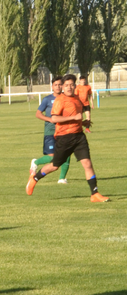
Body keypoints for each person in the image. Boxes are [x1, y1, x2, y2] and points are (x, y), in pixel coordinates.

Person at [26, 74, 109, 202]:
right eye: (66, 85)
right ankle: (35, 178)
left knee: (87, 163)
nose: (69, 87)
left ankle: (94, 194)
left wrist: (82, 123)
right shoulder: (60, 100)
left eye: (71, 85)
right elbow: (54, 118)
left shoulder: (77, 99)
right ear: (63, 87)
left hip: (79, 136)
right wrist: (74, 118)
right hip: (64, 137)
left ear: (75, 86)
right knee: (54, 165)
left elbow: (76, 117)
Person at [30, 76, 71, 184]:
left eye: (59, 84)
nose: (58, 87)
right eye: (55, 85)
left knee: (66, 154)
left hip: (63, 131)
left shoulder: (66, 98)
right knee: (53, 157)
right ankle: (36, 162)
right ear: (52, 86)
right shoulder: (47, 99)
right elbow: (38, 114)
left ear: (62, 86)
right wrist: (50, 119)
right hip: (50, 132)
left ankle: (62, 178)